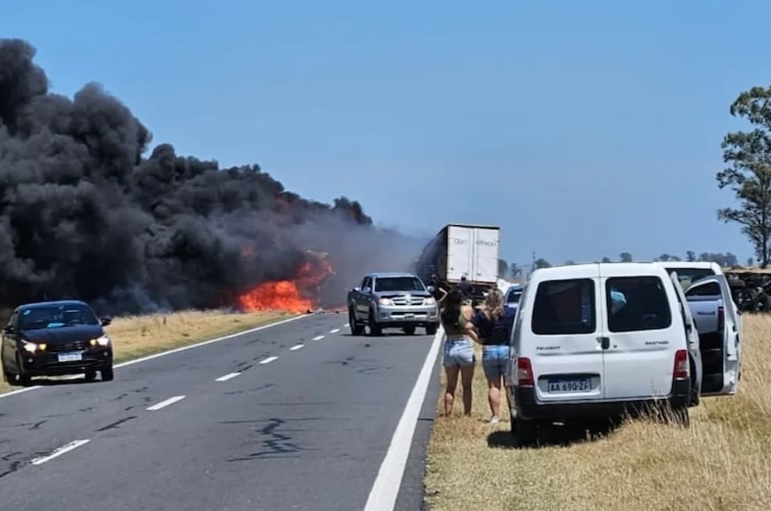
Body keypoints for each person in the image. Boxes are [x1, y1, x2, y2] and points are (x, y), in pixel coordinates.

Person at [471, 288, 517, 423]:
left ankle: (495, 416)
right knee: (509, 385)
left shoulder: (482, 314)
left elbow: (467, 326)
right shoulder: (511, 312)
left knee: (493, 386)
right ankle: (513, 413)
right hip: (506, 350)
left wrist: (478, 340)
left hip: (489, 350)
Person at [440, 287, 479, 416]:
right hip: (464, 345)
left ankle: (448, 413)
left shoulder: (443, 312)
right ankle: (467, 413)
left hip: (450, 345)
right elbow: (473, 324)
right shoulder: (467, 310)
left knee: (450, 385)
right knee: (467, 385)